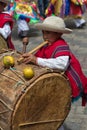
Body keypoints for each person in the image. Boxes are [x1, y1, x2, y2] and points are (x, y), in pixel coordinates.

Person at [22, 16, 87, 130]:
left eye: (48, 33)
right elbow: (39, 57)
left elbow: (61, 64)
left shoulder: (61, 46)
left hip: (67, 84)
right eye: (43, 32)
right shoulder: (48, 44)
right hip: (56, 82)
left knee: (55, 111)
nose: (44, 36)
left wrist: (36, 60)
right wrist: (28, 59)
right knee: (51, 109)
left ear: (58, 34)